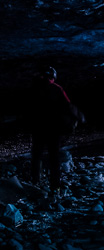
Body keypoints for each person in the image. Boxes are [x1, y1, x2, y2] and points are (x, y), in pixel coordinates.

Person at [28, 67, 82, 196]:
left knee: (36, 156)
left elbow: (28, 108)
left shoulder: (34, 88)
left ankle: (35, 182)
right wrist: (74, 121)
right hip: (53, 130)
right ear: (53, 77)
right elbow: (68, 106)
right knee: (54, 158)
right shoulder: (57, 89)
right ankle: (55, 187)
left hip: (38, 129)